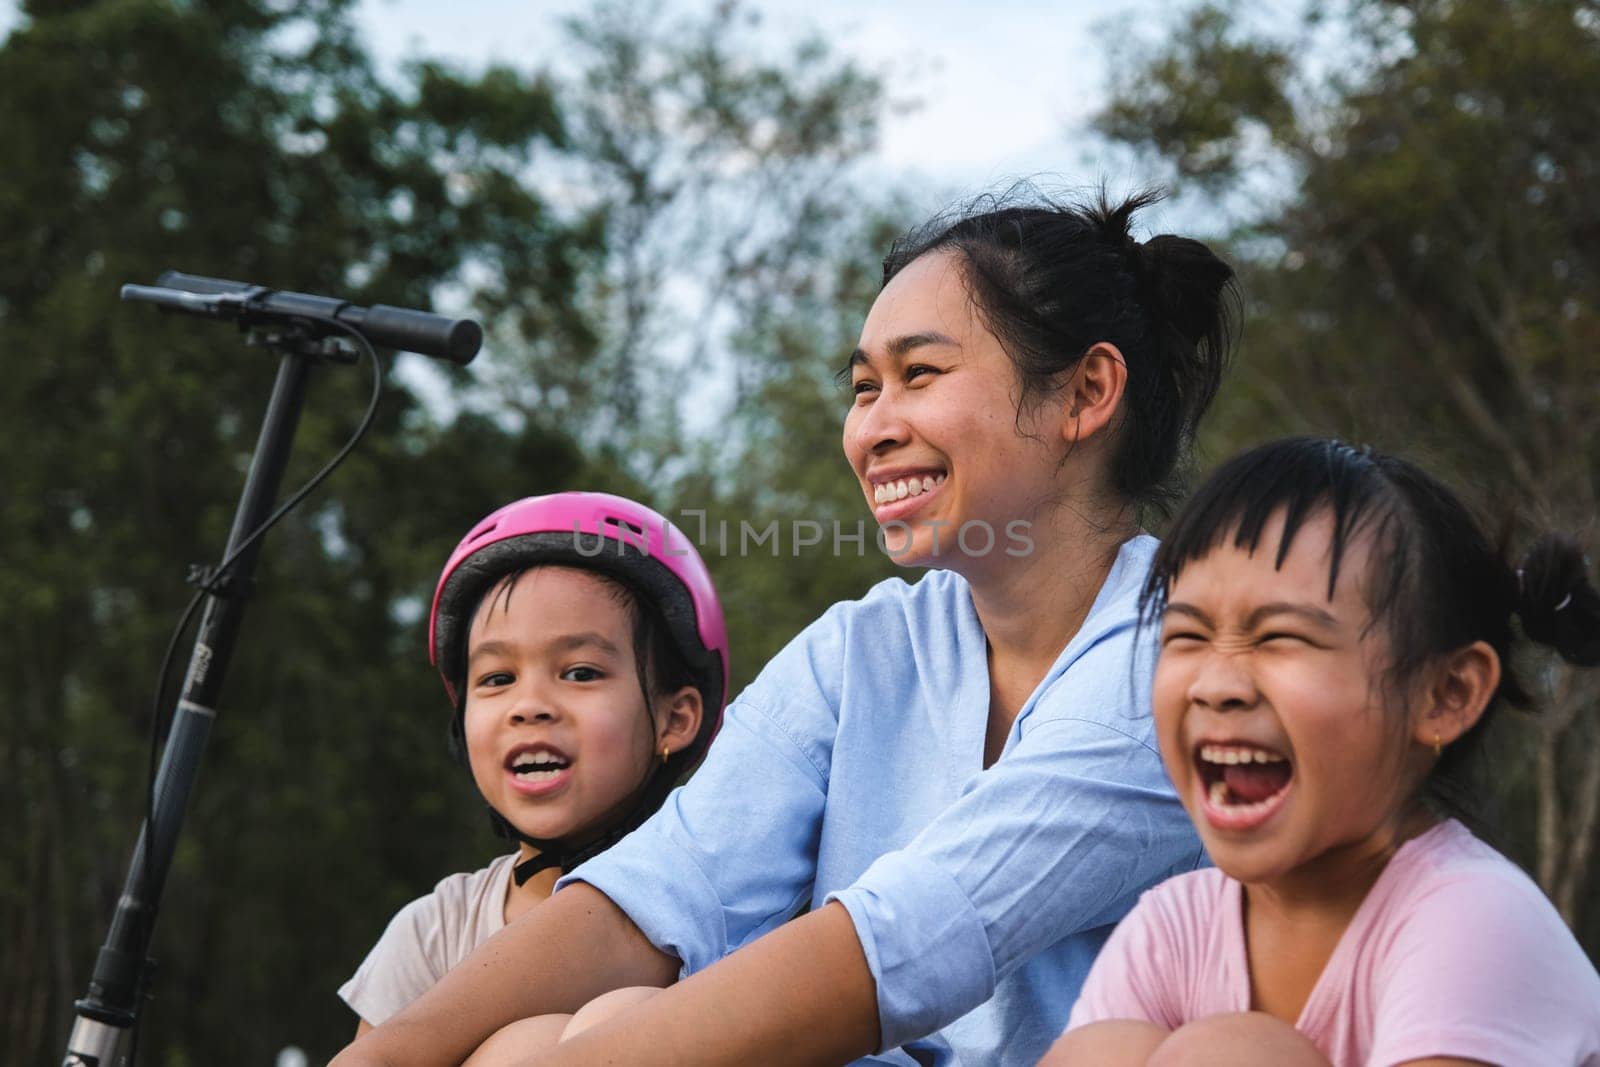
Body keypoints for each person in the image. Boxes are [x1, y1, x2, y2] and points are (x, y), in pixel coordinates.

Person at [331, 187, 1239, 1067]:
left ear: (1085, 391)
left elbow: (909, 937)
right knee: (556, 1027)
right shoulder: (868, 649)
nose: (871, 430)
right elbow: (668, 885)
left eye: (918, 374)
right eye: (862, 387)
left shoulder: (1175, 659)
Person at [1044, 436, 1600, 1067]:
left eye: (1281, 637)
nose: (1217, 684)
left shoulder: (1473, 921)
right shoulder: (1174, 931)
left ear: (1445, 694)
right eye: (1188, 635)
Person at [338, 491, 729, 1036]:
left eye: (581, 672)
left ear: (675, 719)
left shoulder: (730, 918)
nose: (530, 706)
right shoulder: (434, 933)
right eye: (498, 679)